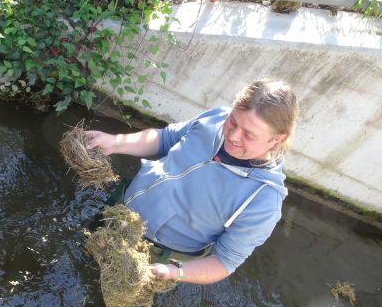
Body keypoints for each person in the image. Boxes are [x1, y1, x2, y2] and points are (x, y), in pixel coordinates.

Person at [86, 79, 299, 285]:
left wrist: (174, 272)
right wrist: (115, 142)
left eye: (249, 135)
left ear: (277, 139)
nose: (233, 136)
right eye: (233, 121)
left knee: (116, 296)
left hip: (156, 254)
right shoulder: (215, 118)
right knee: (86, 256)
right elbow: (165, 138)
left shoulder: (263, 201)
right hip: (120, 210)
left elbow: (224, 262)